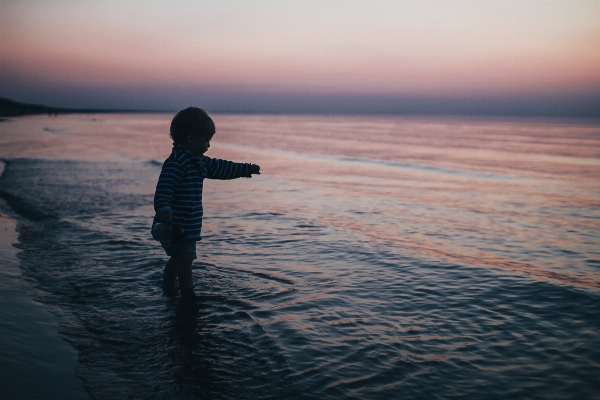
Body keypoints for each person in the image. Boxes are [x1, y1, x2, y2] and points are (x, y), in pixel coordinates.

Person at [152, 107, 260, 298]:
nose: (209, 145)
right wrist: (164, 210)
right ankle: (188, 294)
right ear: (191, 138)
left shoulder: (198, 161)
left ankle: (168, 289)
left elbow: (221, 167)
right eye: (207, 140)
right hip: (177, 226)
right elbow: (163, 191)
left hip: (187, 225)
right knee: (185, 261)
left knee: (178, 259)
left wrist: (245, 169)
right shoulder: (177, 162)